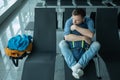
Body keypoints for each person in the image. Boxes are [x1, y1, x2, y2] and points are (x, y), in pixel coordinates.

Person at [59, 8, 100, 79]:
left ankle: (74, 67)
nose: (74, 21)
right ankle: (77, 67)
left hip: (85, 48)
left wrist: (75, 27)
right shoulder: (69, 21)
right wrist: (83, 37)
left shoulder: (89, 21)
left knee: (97, 44)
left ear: (83, 19)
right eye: (73, 19)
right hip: (72, 47)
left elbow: (91, 35)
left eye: (77, 20)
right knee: (62, 43)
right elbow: (66, 37)